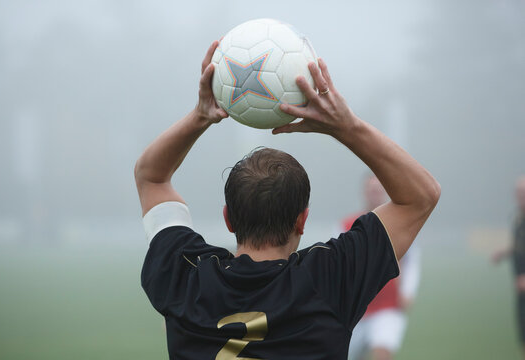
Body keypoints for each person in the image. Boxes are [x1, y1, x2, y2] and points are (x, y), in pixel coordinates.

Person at [134, 41, 440, 359]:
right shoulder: (329, 278)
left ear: (228, 218)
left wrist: (200, 116)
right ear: (301, 220)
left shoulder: (187, 275)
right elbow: (421, 195)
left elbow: (150, 176)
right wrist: (347, 126)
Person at [345, 175, 421, 360]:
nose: (375, 194)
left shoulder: (400, 227)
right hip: (355, 308)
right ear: (364, 193)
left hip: (388, 306)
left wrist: (408, 292)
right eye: (371, 190)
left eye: (378, 190)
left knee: (382, 353)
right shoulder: (347, 225)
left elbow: (412, 261)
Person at [492, 176, 525, 358]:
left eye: (524, 193)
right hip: (520, 291)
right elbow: (519, 245)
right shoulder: (518, 218)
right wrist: (504, 253)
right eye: (518, 193)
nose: (520, 197)